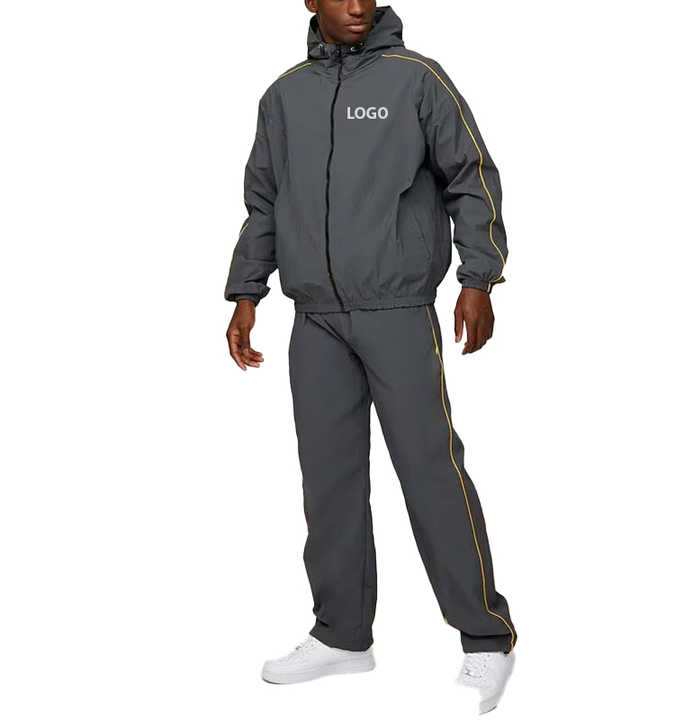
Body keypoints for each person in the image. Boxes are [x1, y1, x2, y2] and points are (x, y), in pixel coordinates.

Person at [225, 2, 516, 713]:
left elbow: (471, 175)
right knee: (328, 481)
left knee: (430, 470)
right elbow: (264, 201)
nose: (359, 4)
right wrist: (246, 293)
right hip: (315, 319)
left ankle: (486, 638)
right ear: (309, 1)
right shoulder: (284, 95)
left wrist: (478, 279)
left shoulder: (416, 79)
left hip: (396, 308)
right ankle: (342, 635)